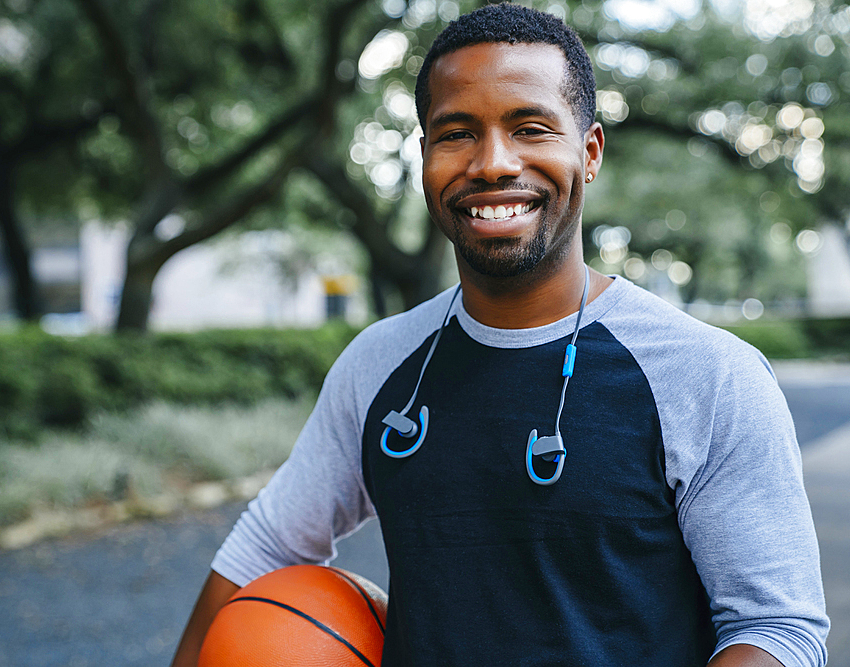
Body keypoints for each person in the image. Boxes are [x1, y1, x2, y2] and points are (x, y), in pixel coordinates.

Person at [171, 4, 829, 665]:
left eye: (531, 128)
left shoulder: (708, 374)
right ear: (425, 156)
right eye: (456, 133)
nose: (492, 164)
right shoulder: (377, 365)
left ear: (589, 151)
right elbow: (264, 549)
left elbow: (777, 628)